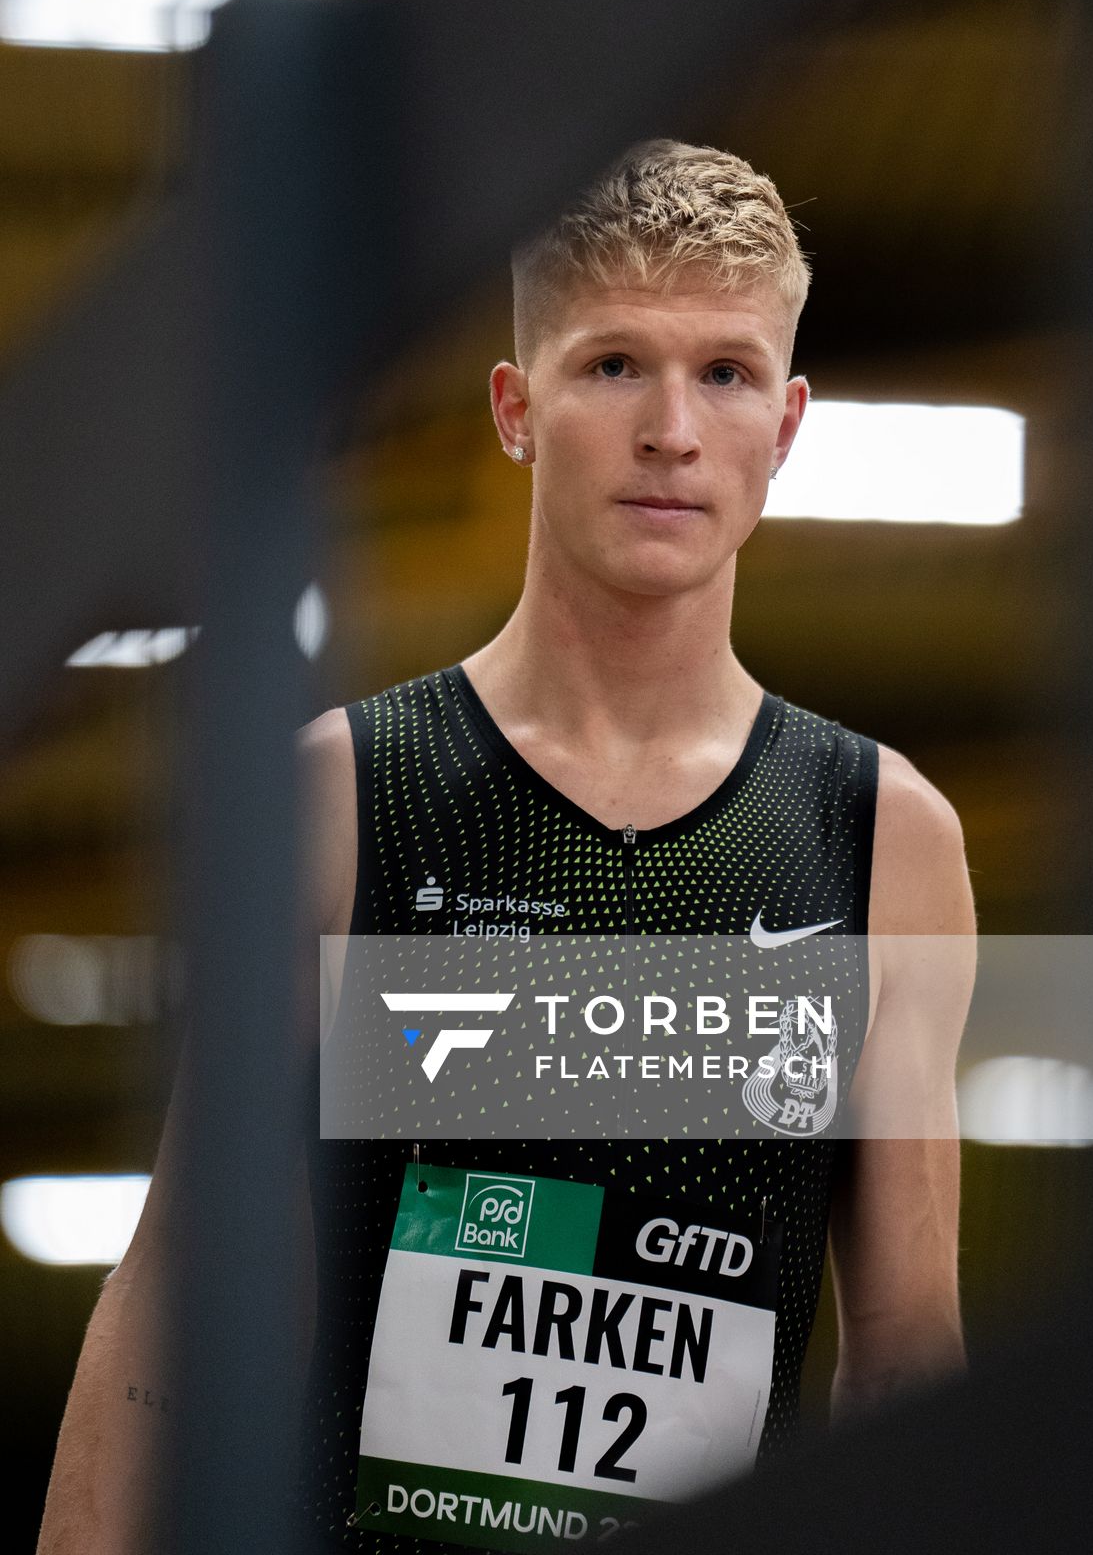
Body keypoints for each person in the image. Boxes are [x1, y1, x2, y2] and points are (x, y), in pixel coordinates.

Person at [38, 140, 976, 1554]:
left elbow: (906, 1352)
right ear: (515, 406)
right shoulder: (346, 795)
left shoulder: (879, 835)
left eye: (723, 374)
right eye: (613, 365)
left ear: (784, 429)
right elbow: (185, 1284)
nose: (672, 428)